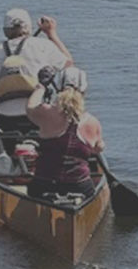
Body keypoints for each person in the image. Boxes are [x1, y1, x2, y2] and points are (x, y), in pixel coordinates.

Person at [0, 8, 73, 133]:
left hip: (3, 116)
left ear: (5, 31)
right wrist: (51, 33)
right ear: (29, 27)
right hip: (38, 114)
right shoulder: (43, 45)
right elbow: (68, 64)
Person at [25, 68, 103, 198]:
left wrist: (41, 87)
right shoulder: (92, 122)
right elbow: (97, 149)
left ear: (57, 88)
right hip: (79, 185)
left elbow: (29, 108)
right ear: (83, 91)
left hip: (44, 183)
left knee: (33, 188)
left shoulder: (45, 112)